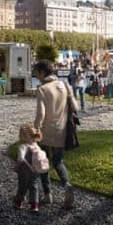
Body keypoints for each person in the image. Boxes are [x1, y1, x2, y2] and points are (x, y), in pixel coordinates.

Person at [33, 60, 76, 209]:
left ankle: (48, 195)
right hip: (61, 130)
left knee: (43, 163)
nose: (36, 75)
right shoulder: (64, 85)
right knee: (58, 162)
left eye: (36, 72)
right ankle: (67, 184)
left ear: (42, 72)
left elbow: (41, 114)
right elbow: (74, 107)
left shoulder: (42, 89)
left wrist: (35, 128)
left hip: (45, 131)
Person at [13, 122, 48, 213]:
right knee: (34, 186)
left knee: (22, 185)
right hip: (36, 170)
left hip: (25, 170)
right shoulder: (36, 146)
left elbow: (21, 159)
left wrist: (16, 167)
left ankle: (18, 202)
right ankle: (34, 205)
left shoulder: (23, 146)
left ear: (23, 135)